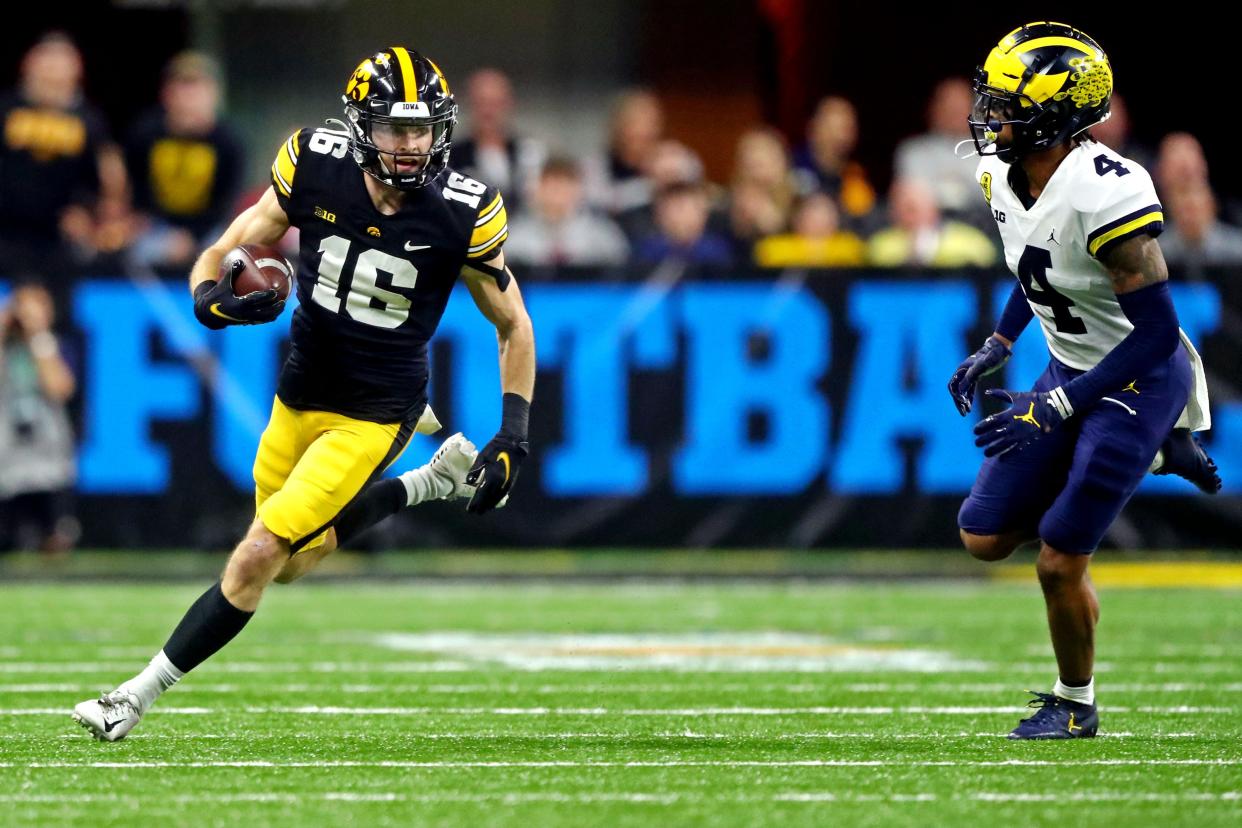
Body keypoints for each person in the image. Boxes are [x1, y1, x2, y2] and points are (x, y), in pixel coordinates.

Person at [71, 46, 537, 741]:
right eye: (393, 128)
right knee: (289, 564)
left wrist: (513, 434)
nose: (410, 146)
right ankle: (426, 485)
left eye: (422, 128)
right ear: (358, 127)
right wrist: (211, 299)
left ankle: (132, 697)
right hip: (301, 390)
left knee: (258, 551)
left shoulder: (460, 210)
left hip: (378, 411)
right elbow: (225, 250)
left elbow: (513, 325)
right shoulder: (313, 165)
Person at [949, 22, 1220, 740]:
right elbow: (1033, 264)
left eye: (1006, 102)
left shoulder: (1107, 192)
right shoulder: (1001, 173)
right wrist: (998, 342)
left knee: (1059, 559)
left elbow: (1159, 334)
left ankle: (1075, 704)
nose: (989, 116)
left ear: (1057, 113)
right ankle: (1157, 454)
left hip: (1138, 377)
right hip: (1073, 364)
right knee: (982, 537)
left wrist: (1061, 406)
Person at [0, 32, 127, 296]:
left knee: (58, 309)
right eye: (46, 65)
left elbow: (107, 180)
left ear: (75, 72)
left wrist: (87, 213)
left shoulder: (89, 121)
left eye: (61, 67)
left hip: (58, 239)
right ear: (28, 66)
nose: (52, 75)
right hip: (7, 232)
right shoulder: (6, 110)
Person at [125, 51, 246, 270]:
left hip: (209, 228)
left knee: (231, 256)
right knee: (131, 251)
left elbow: (226, 202)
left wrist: (191, 236)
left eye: (197, 89)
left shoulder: (229, 143)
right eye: (182, 88)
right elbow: (137, 189)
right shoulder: (145, 135)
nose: (189, 98)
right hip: (157, 227)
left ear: (214, 94)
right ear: (167, 94)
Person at [0, 283, 77, 554]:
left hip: (46, 449)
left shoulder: (52, 345)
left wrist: (37, 337)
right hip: (7, 451)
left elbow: (59, 388)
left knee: (55, 533)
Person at [504, 155, 629, 267]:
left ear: (579, 189)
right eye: (551, 183)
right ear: (537, 189)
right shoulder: (513, 237)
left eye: (566, 183)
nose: (558, 191)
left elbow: (623, 278)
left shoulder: (603, 237)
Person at [450, 68, 545, 213]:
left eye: (495, 103)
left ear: (509, 104)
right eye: (481, 103)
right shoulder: (449, 159)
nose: (488, 112)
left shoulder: (529, 152)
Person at [866, 178, 997, 267]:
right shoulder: (880, 244)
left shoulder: (970, 240)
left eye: (913, 208)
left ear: (934, 208)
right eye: (901, 209)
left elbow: (985, 261)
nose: (909, 216)